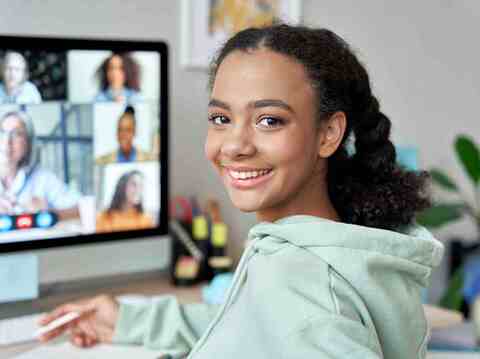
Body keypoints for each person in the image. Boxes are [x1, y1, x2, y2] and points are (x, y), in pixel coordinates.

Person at [39, 25, 443, 358]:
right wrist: (127, 322)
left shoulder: (306, 288)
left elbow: (303, 321)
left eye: (268, 120)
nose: (233, 145)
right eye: (221, 118)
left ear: (328, 134)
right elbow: (255, 326)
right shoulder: (323, 250)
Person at [0, 111, 78, 218]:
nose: (6, 141)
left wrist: (49, 213)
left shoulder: (43, 178)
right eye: (2, 132)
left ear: (28, 144)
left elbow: (80, 208)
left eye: (16, 134)